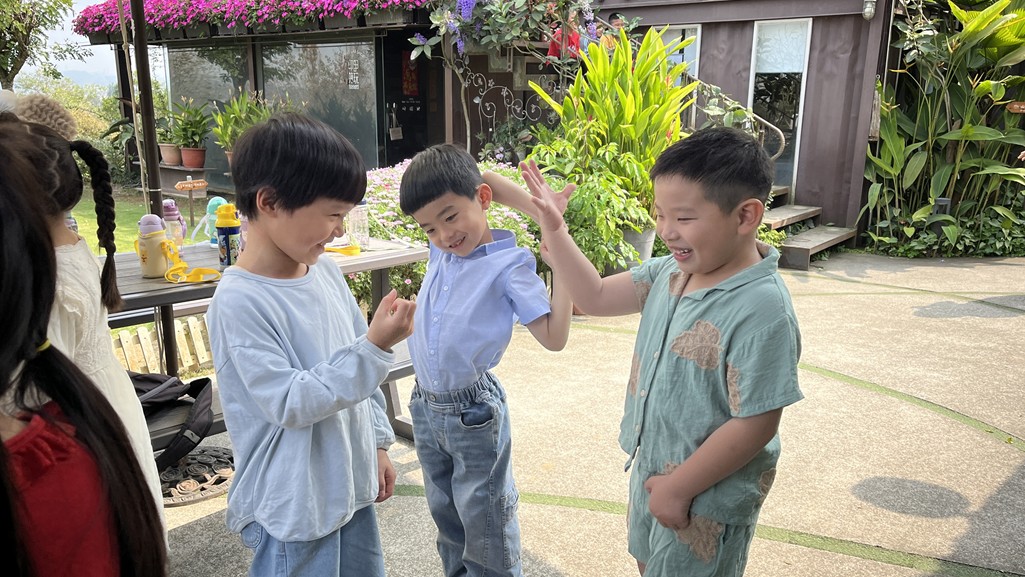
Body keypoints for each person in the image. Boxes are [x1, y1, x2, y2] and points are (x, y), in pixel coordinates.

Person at [519, 126, 803, 576]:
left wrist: (679, 488)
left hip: (706, 495)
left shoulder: (762, 308)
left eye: (684, 218)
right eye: (660, 214)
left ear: (746, 215)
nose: (667, 231)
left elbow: (756, 421)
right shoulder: (670, 271)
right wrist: (556, 229)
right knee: (649, 563)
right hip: (653, 467)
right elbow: (593, 296)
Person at [206, 112, 415, 577]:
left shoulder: (325, 272)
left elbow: (357, 369)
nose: (340, 229)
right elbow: (290, 401)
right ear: (270, 202)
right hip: (296, 507)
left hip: (348, 486)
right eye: (333, 214)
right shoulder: (239, 301)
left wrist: (378, 443)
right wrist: (374, 348)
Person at [397, 144, 572, 577]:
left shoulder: (509, 266)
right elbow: (483, 179)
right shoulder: (446, 249)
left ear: (482, 201)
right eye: (429, 228)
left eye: (450, 217)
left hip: (472, 414)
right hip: (424, 405)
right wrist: (537, 209)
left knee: (486, 527)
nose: (444, 235)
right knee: (448, 521)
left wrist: (556, 238)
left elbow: (555, 337)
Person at [0, 125, 167, 576]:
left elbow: (31, 392)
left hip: (74, 429)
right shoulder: (71, 250)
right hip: (103, 408)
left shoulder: (50, 285)